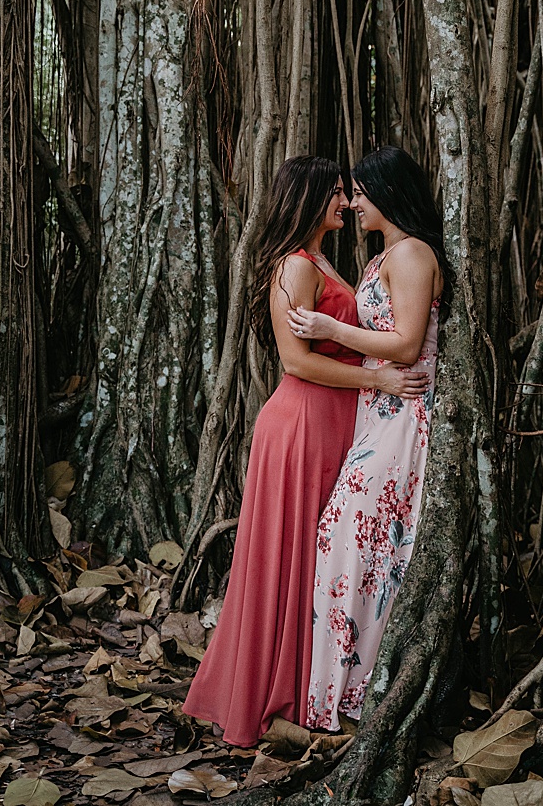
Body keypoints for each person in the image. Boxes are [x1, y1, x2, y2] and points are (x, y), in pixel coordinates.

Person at [182, 156, 429, 748]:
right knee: (293, 555)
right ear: (310, 198)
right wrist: (379, 382)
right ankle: (272, 696)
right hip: (302, 423)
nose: (346, 202)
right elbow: (294, 360)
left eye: (353, 193)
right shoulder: (294, 266)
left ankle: (306, 686)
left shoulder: (326, 262)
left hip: (341, 422)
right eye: (337, 193)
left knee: (314, 563)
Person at [287, 147, 446, 732]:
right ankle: (342, 693)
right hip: (378, 407)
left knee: (361, 541)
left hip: (406, 411)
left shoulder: (411, 254)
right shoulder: (383, 259)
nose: (352, 203)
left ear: (387, 193)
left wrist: (332, 328)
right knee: (358, 543)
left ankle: (362, 693)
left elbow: (406, 345)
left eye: (360, 192)